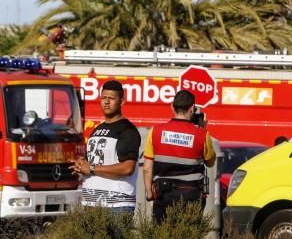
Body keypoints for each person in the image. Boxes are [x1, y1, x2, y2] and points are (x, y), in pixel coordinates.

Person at [142, 90, 216, 224]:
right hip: (191, 196)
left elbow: (147, 167)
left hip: (163, 195)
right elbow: (210, 162)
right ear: (192, 109)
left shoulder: (155, 131)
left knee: (162, 236)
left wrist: (149, 193)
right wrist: (202, 129)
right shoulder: (202, 135)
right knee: (189, 236)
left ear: (172, 107)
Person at [70, 80, 141, 214]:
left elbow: (128, 168)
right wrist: (81, 165)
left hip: (117, 205)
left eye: (111, 98)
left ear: (121, 101)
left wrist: (91, 168)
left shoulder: (128, 130)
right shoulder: (97, 129)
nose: (106, 102)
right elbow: (91, 162)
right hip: (91, 203)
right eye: (103, 98)